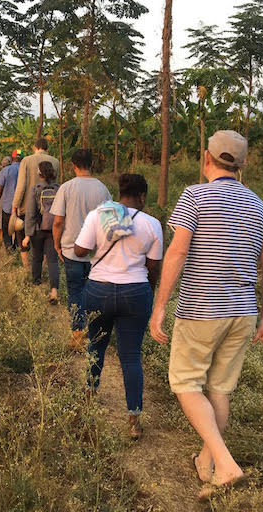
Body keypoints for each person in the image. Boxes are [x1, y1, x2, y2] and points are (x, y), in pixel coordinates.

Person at [148, 130, 263, 500]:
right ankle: (207, 464)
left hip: (202, 310)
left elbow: (176, 254)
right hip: (243, 315)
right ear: (242, 164)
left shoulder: (195, 195)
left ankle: (225, 463)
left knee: (186, 384)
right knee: (219, 388)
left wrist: (159, 306)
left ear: (206, 158)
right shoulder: (258, 204)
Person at [74, 174, 163, 439]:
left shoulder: (99, 215)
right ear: (143, 196)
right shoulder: (152, 223)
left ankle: (88, 401)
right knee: (131, 356)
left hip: (98, 290)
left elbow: (80, 251)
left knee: (96, 346)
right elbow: (153, 266)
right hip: (134, 292)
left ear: (119, 192)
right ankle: (134, 420)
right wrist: (149, 292)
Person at [51, 149, 112, 351]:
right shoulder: (103, 189)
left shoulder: (67, 188)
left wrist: (56, 244)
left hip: (71, 249)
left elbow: (58, 221)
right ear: (92, 164)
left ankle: (78, 333)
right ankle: (95, 332)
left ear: (73, 165)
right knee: (93, 293)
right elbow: (109, 221)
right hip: (96, 253)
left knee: (75, 291)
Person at [22, 161, 60, 304]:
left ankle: (36, 284)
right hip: (54, 229)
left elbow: (30, 214)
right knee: (52, 260)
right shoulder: (59, 189)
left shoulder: (35, 190)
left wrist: (27, 234)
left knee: (37, 257)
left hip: (38, 229)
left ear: (39, 173)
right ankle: (54, 291)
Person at [12, 138, 59, 219]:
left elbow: (21, 186)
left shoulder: (26, 160)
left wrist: (15, 205)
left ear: (35, 148)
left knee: (28, 230)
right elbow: (55, 184)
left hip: (27, 207)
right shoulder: (55, 161)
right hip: (48, 207)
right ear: (47, 148)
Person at [0, 155, 21, 250]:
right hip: (21, 206)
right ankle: (18, 246)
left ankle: (9, 248)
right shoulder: (25, 169)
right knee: (19, 228)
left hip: (7, 206)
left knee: (6, 229)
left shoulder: (5, 171)